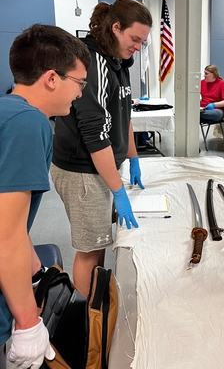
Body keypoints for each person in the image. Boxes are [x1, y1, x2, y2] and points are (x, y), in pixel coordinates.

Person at [0, 24, 91, 369]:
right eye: (79, 83)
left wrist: (34, 266)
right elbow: (4, 236)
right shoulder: (29, 123)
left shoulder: (8, 109)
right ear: (52, 78)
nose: (80, 94)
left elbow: (10, 219)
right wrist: (27, 322)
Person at [51, 0, 153, 297]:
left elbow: (124, 115)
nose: (138, 47)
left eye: (142, 42)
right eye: (134, 39)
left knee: (100, 241)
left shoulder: (117, 62)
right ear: (115, 27)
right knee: (89, 250)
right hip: (83, 169)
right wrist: (118, 192)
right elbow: (95, 134)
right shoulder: (92, 63)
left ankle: (100, 299)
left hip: (104, 166)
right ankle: (88, 321)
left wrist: (132, 158)